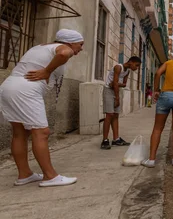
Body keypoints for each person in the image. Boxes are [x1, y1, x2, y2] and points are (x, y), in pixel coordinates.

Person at [0, 29, 84, 187]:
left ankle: (25, 174)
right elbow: (64, 53)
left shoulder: (39, 47)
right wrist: (47, 71)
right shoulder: (61, 48)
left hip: (9, 86)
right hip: (25, 91)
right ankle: (50, 176)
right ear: (70, 42)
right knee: (41, 132)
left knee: (20, 133)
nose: (81, 48)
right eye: (80, 44)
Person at [101, 57, 142, 150]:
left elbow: (123, 84)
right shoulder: (118, 67)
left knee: (116, 115)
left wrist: (116, 84)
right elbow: (114, 84)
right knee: (109, 114)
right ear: (130, 62)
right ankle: (105, 140)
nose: (137, 68)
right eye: (136, 65)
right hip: (109, 90)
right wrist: (117, 97)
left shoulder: (127, 71)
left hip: (116, 90)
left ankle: (116, 139)